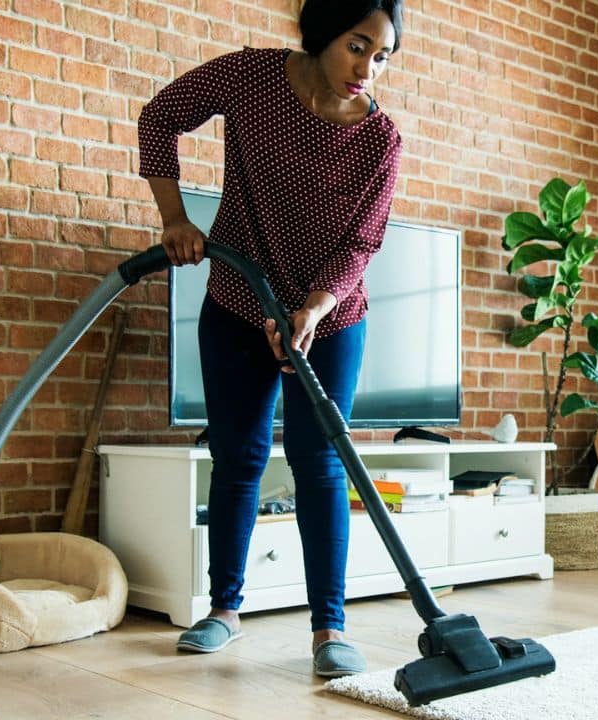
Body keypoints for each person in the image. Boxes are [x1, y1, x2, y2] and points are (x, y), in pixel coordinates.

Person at [136, 0, 404, 678]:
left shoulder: (381, 140)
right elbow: (157, 117)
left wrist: (314, 308)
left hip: (331, 319)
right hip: (237, 298)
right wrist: (175, 218)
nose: (367, 68)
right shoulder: (249, 79)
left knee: (318, 464)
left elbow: (362, 243)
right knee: (238, 458)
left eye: (382, 56)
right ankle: (224, 610)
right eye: (357, 45)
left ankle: (328, 628)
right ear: (322, 31)